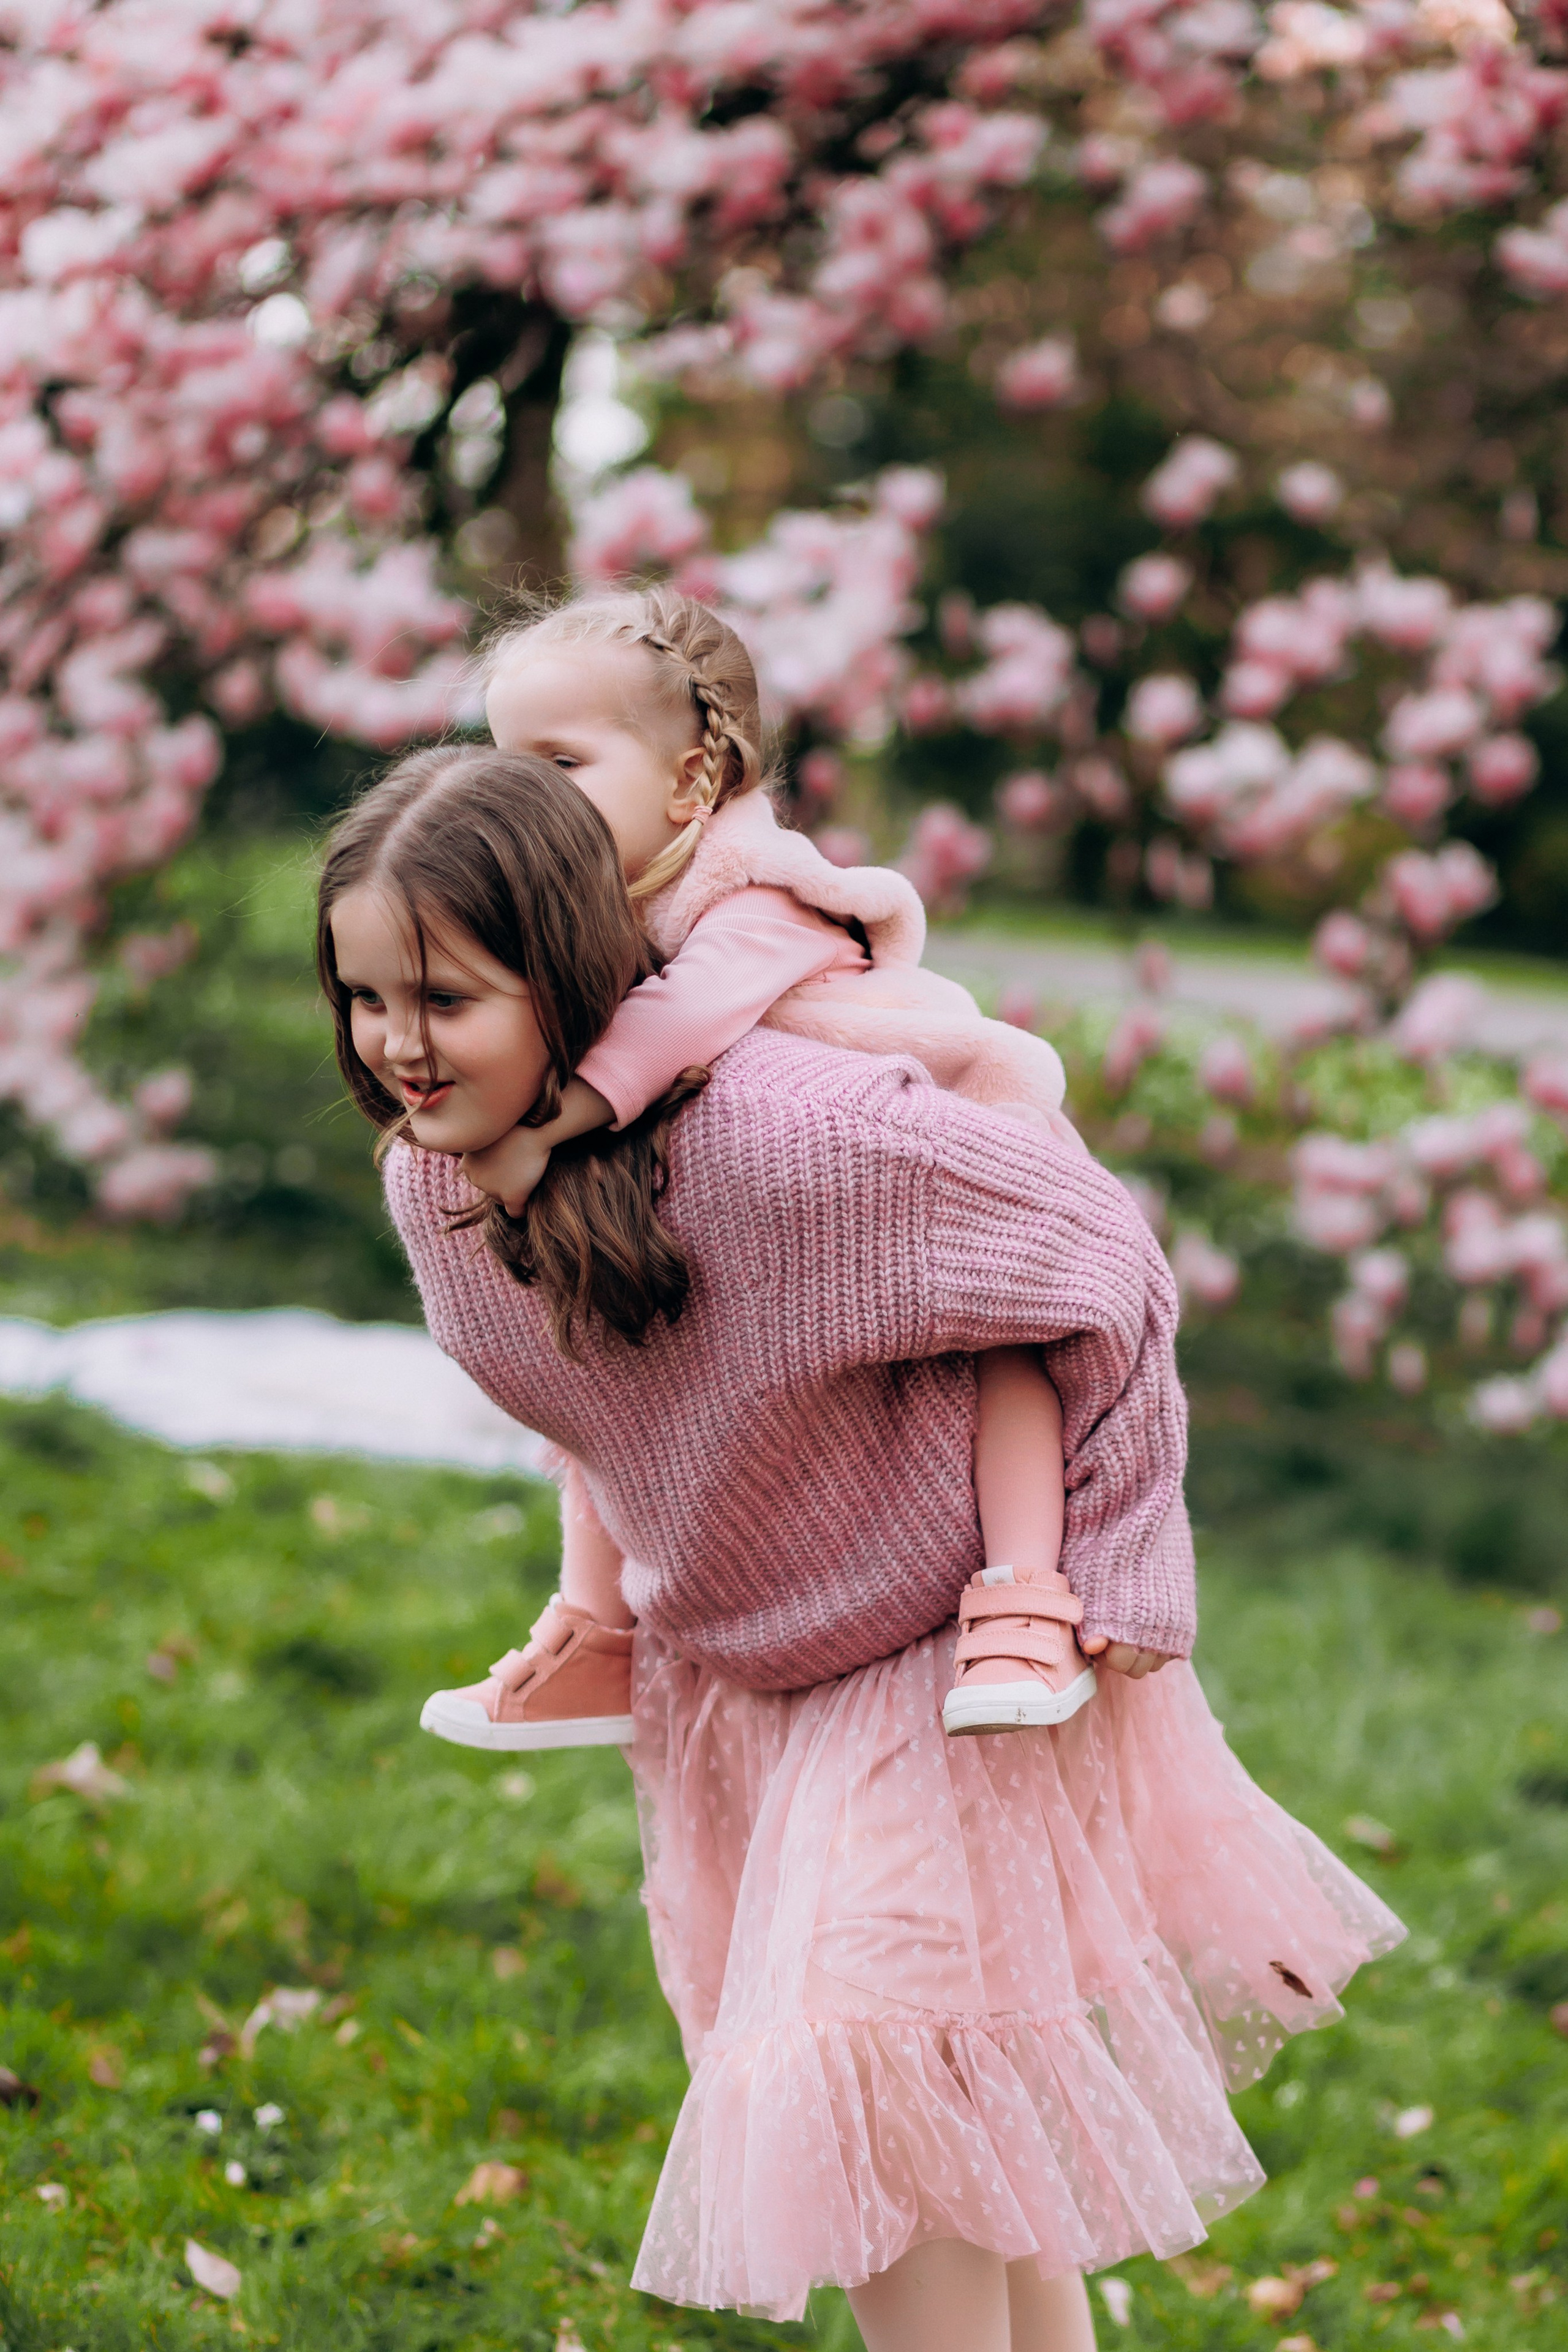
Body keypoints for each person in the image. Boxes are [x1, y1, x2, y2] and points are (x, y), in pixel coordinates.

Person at [318, 745, 1404, 2350]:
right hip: (742, 1678)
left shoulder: (799, 1139)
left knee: (867, 2068)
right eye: (364, 998)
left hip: (935, 1654)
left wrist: (1105, 1571)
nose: (397, 1044)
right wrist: (603, 1609)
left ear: (569, 975)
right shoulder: (442, 1194)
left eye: (446, 999)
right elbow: (603, 1418)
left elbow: (1106, 1268)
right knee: (951, 2120)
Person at [442, 584, 1098, 1750]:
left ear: (694, 779)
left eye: (561, 765)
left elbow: (679, 1019)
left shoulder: (758, 893)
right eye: (507, 766)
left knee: (1006, 1353)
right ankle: (597, 1629)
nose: (524, 800)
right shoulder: (601, 892)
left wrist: (545, 1126)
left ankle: (1022, 1601)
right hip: (778, 1192)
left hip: (942, 1155)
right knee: (602, 1354)